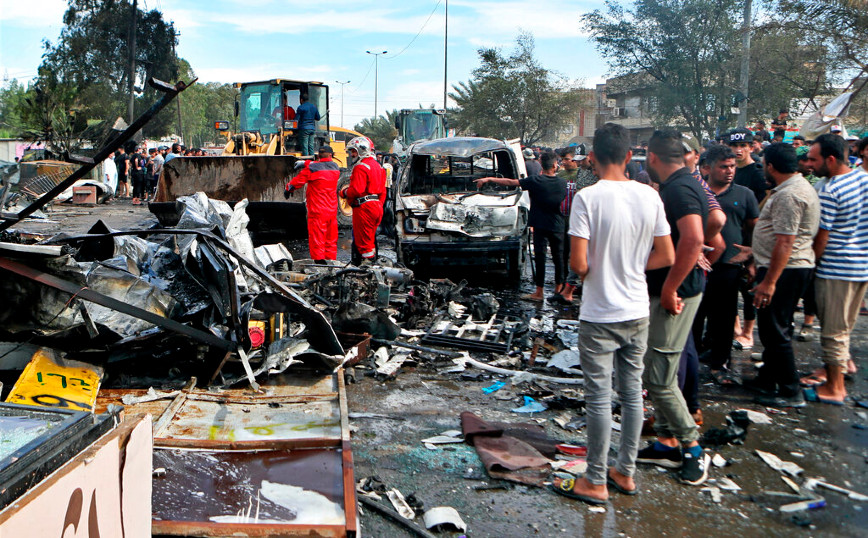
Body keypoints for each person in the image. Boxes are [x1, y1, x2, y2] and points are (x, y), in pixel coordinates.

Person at [549, 123, 674, 505]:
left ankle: (596, 480)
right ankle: (626, 471)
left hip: (600, 312)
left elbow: (580, 264)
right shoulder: (650, 196)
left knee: (600, 399)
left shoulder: (588, 198)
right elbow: (667, 255)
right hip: (637, 310)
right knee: (633, 394)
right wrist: (633, 267)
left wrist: (601, 268)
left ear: (592, 158)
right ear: (628, 157)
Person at [635, 129, 710, 486]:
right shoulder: (686, 182)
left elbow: (694, 237)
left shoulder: (679, 189)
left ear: (652, 157)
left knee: (658, 377)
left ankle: (693, 447)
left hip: (677, 292)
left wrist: (670, 285)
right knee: (660, 366)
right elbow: (709, 226)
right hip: (681, 286)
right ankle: (666, 442)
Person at [742, 143, 820, 407]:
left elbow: (785, 242)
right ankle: (769, 377)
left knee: (776, 331)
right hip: (785, 267)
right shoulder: (790, 189)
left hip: (787, 270)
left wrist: (769, 282)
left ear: (771, 167)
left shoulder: (789, 195)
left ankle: (790, 390)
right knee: (774, 327)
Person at [798, 134, 868, 404]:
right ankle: (841, 366)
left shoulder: (829, 189)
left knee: (833, 332)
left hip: (837, 269)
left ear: (830, 159)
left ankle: (835, 388)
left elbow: (821, 236)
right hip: (860, 267)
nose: (809, 164)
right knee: (845, 326)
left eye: (814, 159)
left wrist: (810, 265)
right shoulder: (862, 178)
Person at [694, 145, 759, 384]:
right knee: (695, 316)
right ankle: (691, 360)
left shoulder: (744, 195)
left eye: (732, 166)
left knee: (724, 318)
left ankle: (720, 365)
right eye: (724, 167)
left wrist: (752, 258)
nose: (729, 171)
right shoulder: (696, 193)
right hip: (697, 265)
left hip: (729, 266)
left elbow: (754, 228)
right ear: (708, 168)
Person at [475, 152, 567, 303]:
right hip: (557, 224)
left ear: (541, 164)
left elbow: (511, 182)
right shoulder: (562, 183)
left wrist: (489, 179)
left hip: (539, 224)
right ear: (555, 165)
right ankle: (558, 290)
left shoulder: (535, 181)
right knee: (559, 258)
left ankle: (539, 292)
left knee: (540, 258)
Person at [729, 127, 768, 349]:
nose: (738, 150)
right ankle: (735, 328)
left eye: (742, 145)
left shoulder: (757, 172)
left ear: (751, 147)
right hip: (733, 235)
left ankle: (748, 332)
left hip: (752, 236)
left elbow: (765, 202)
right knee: (730, 287)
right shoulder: (730, 170)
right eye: (734, 146)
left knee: (749, 286)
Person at [286, 145, 340, 262]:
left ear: (318, 155)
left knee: (317, 240)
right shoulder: (335, 168)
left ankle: (319, 264)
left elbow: (298, 181)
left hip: (317, 211)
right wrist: (306, 163)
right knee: (330, 240)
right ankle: (332, 264)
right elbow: (322, 165)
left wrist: (288, 188)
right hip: (331, 211)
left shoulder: (312, 169)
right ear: (331, 155)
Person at [340, 136, 386, 265]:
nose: (352, 154)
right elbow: (383, 191)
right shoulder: (378, 167)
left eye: (354, 151)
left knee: (363, 241)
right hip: (376, 205)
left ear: (362, 150)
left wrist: (344, 192)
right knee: (370, 239)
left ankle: (367, 268)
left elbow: (356, 190)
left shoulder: (361, 167)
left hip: (364, 207)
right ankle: (371, 262)